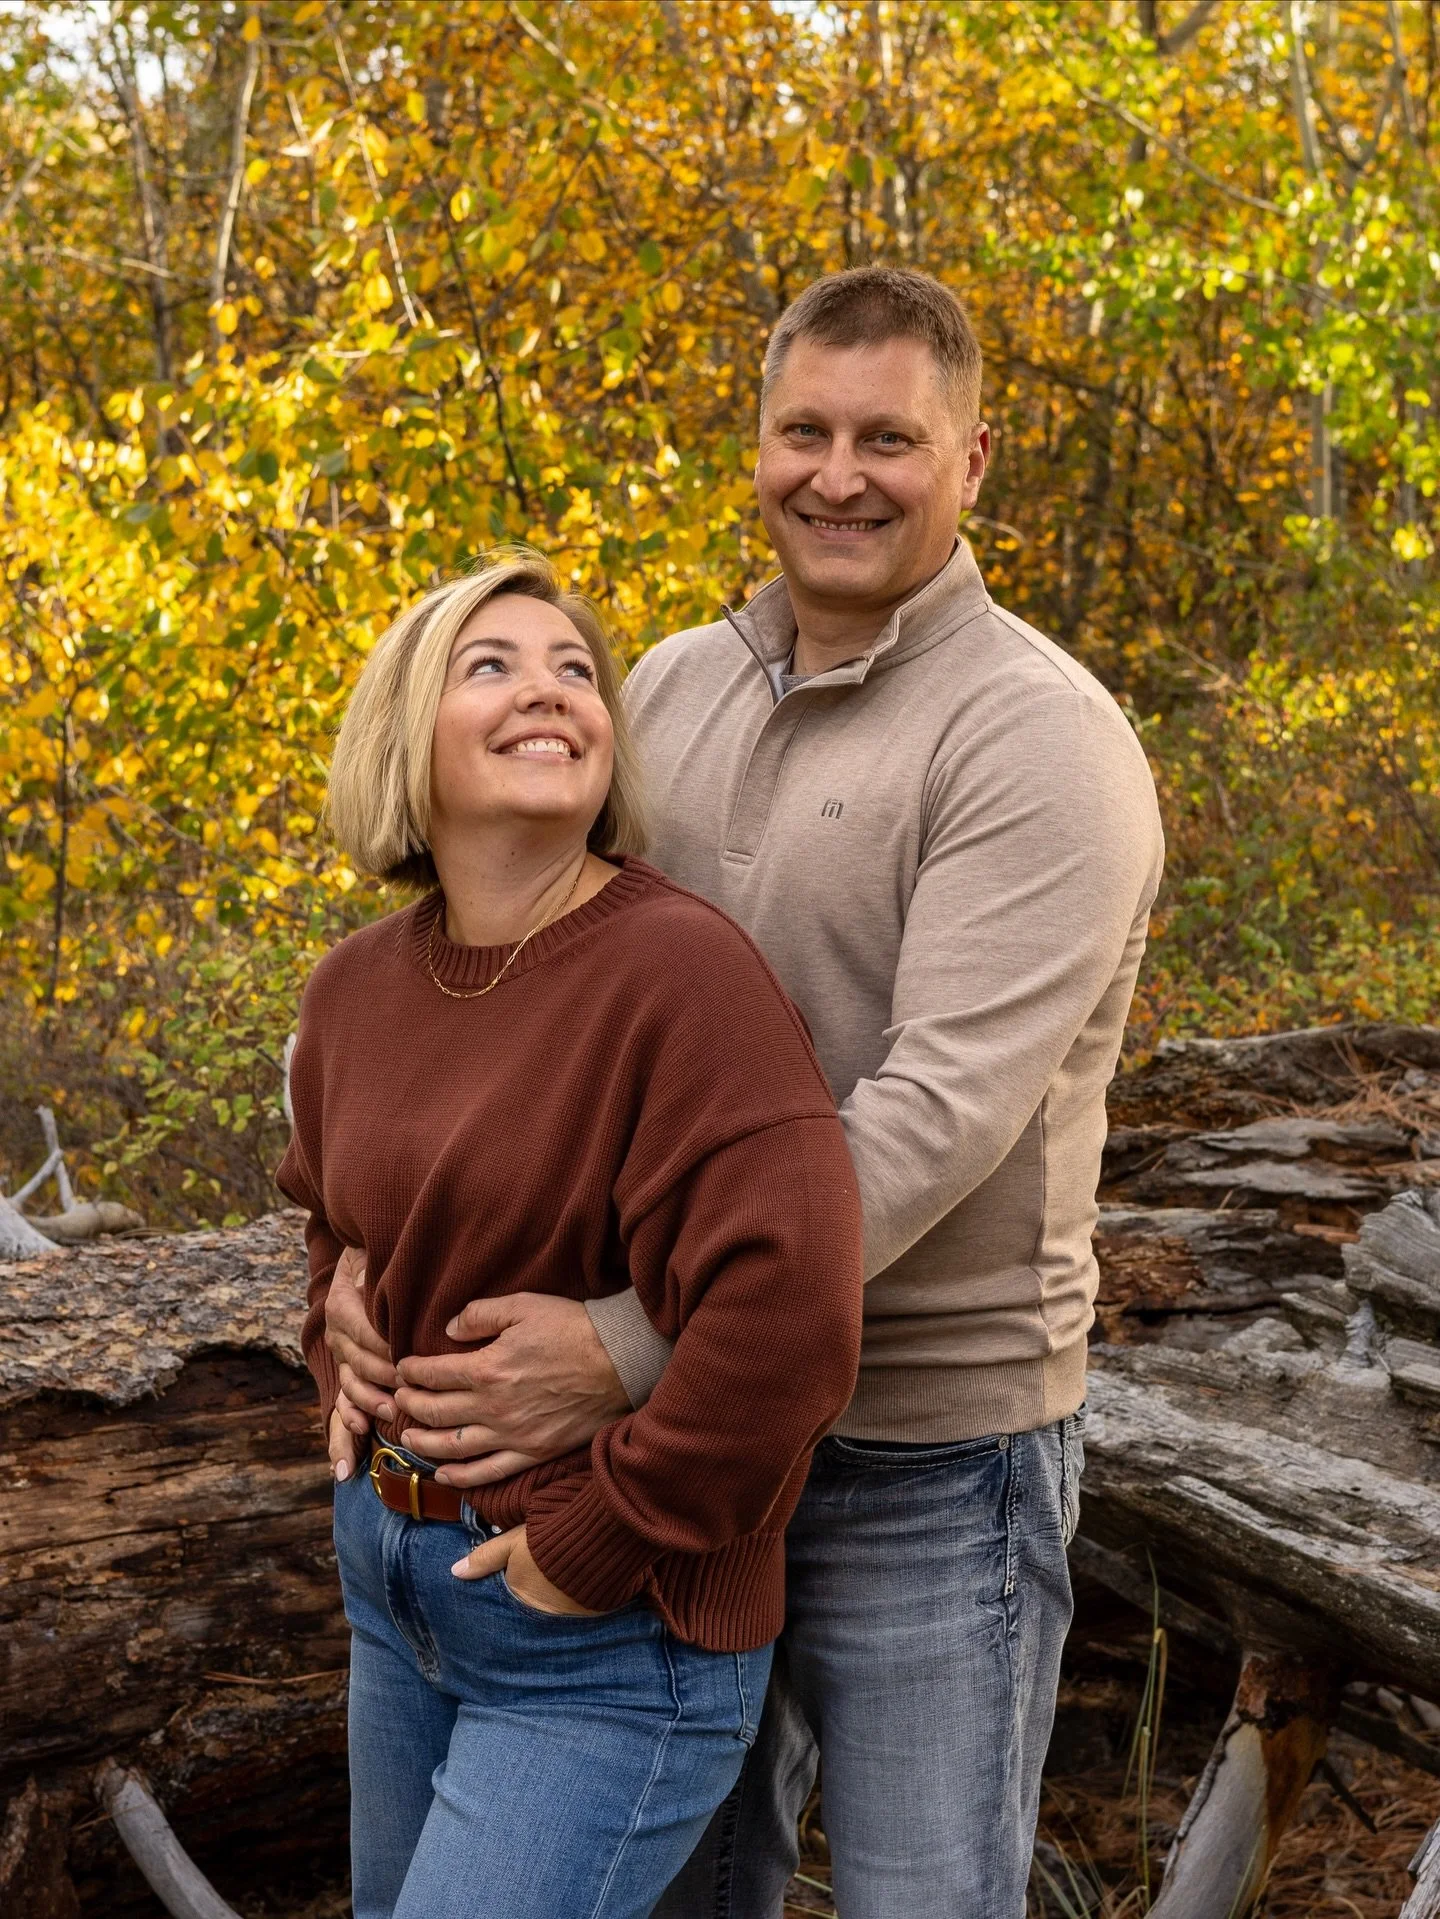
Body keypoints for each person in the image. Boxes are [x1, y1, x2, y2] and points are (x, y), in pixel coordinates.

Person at [326, 268, 1165, 1917]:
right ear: (759, 442)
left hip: (926, 1448)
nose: (838, 473)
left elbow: (930, 1123)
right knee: (683, 1888)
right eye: (805, 430)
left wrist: (630, 1338)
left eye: (889, 438)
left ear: (974, 459)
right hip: (671, 1448)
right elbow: (535, 1001)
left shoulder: (1040, 739)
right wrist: (359, 1261)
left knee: (926, 1893)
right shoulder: (673, 688)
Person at [276, 549, 864, 1919]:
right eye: (493, 665)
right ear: (407, 735)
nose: (550, 691)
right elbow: (325, 1213)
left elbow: (794, 1314)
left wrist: (609, 1530)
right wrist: (335, 1328)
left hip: (599, 1633)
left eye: (576, 671)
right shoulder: (358, 985)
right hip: (395, 1586)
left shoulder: (680, 973)